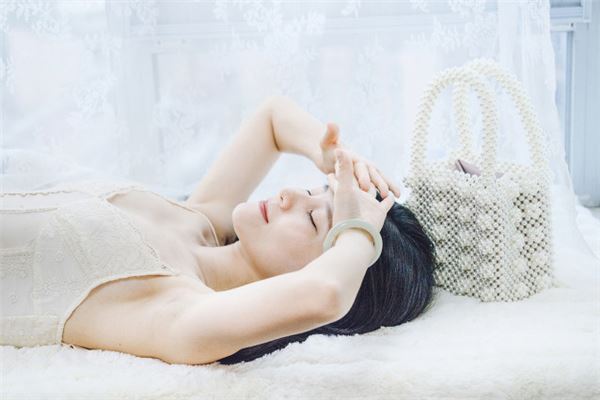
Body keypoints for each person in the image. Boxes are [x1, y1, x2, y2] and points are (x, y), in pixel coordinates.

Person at [0, 95, 435, 365]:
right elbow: (272, 118)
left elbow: (326, 295)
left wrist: (358, 232)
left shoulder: (176, 308)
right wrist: (335, 159)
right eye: (310, 190)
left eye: (312, 218)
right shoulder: (203, 221)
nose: (288, 194)